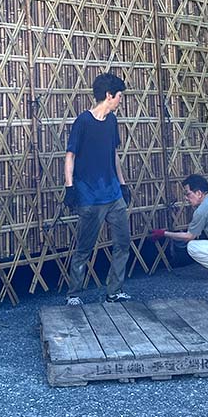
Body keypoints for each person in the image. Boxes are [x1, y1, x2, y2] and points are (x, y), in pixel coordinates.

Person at [63, 72, 132, 306]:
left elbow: (114, 155)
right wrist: (70, 187)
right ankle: (74, 293)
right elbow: (70, 156)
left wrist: (123, 184)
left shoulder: (112, 121)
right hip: (89, 195)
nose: (120, 100)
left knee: (123, 242)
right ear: (109, 95)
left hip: (113, 194)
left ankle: (114, 291)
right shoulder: (83, 121)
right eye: (119, 96)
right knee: (84, 247)